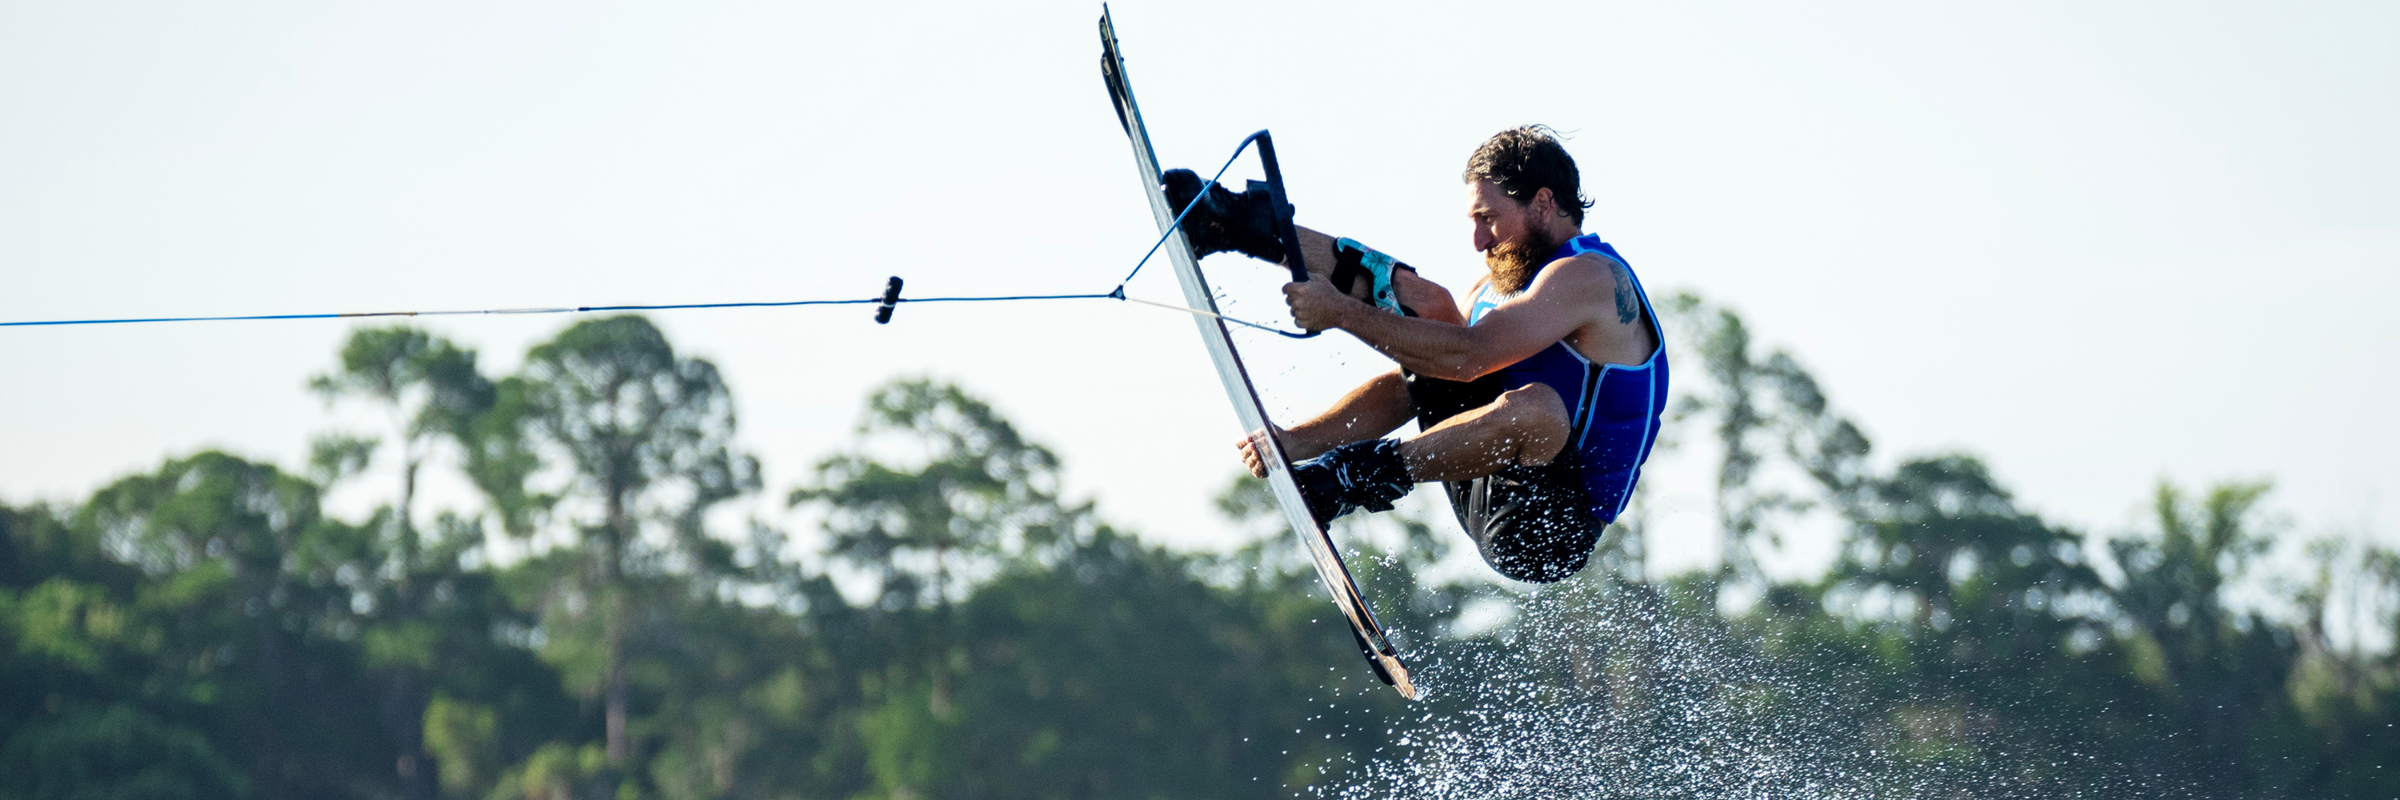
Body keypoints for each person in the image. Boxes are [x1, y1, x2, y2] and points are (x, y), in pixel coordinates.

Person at [1163, 125, 1668, 583]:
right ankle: (1232, 226)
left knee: (1535, 404)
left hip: (1550, 529)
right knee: (1429, 306)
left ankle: (1355, 476)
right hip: (1480, 468)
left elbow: (1469, 357)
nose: (1477, 241)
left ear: (1541, 203)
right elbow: (1427, 375)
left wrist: (1342, 313)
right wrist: (1295, 440)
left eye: (1488, 219)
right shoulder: (1495, 289)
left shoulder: (1592, 276)